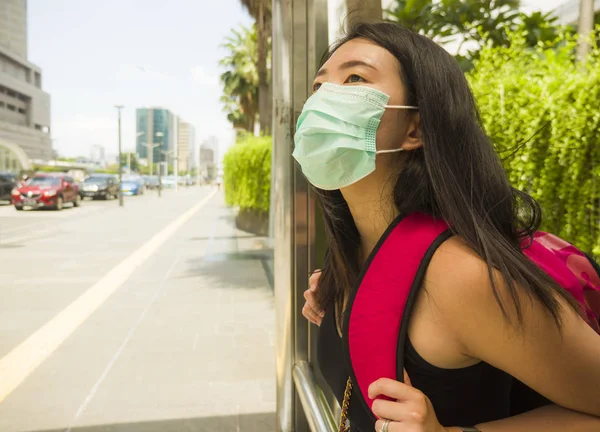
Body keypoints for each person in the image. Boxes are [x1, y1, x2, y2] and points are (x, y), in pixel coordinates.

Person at [295, 22, 600, 432]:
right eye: (318, 86)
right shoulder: (354, 258)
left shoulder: (460, 278)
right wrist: (342, 290)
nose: (324, 99)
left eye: (354, 78)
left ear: (414, 129)